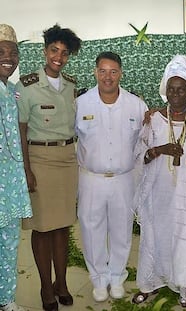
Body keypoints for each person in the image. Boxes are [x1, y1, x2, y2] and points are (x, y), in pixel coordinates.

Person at [131, 54, 186, 308]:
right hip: (159, 192)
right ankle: (151, 282)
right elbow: (139, 157)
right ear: (165, 90)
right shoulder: (153, 119)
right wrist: (159, 150)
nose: (176, 93)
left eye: (181, 89)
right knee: (156, 235)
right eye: (171, 88)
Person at [16, 24, 81, 311]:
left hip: (67, 160)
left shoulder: (70, 85)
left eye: (64, 53)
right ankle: (45, 286)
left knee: (62, 226)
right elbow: (20, 129)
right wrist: (26, 170)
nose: (59, 57)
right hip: (39, 161)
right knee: (42, 228)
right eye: (54, 50)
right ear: (44, 51)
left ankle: (62, 283)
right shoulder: (26, 86)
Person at [75, 51, 148, 302]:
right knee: (91, 229)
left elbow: (145, 141)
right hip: (91, 178)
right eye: (103, 71)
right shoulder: (81, 104)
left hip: (124, 179)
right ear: (95, 72)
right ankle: (98, 278)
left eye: (113, 71)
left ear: (121, 73)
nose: (108, 77)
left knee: (121, 229)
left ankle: (117, 276)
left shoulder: (135, 105)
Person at [0, 24, 32, 311]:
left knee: (9, 245)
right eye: (1, 52)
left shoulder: (13, 92)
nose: (8, 57)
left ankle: (7, 300)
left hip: (10, 186)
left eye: (13, 52)